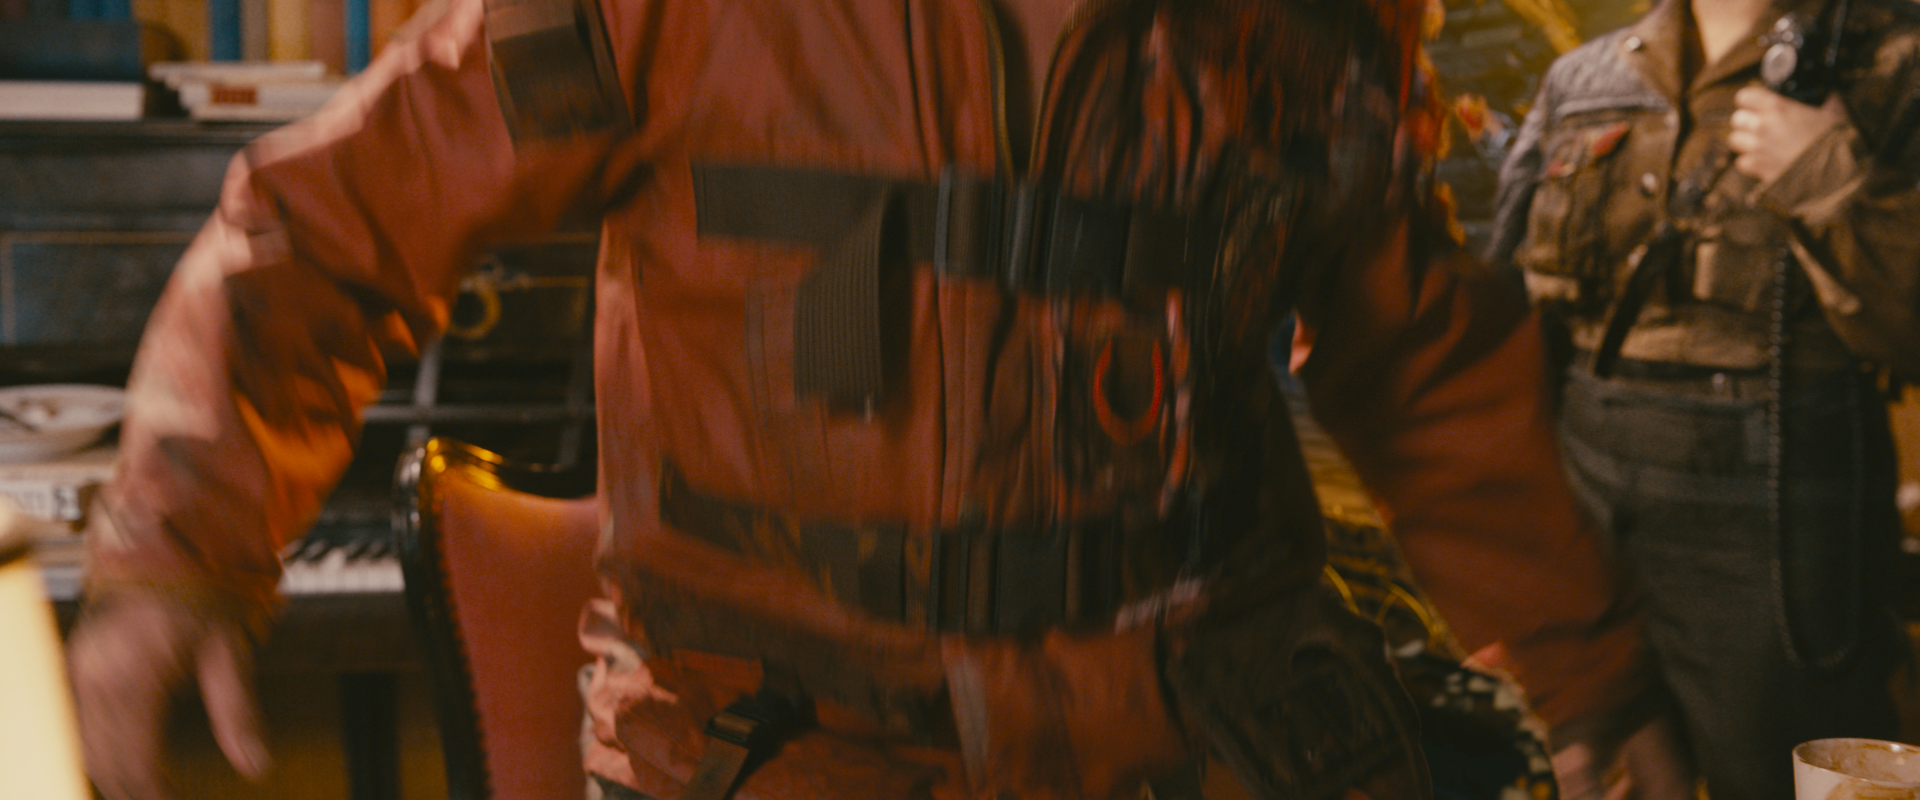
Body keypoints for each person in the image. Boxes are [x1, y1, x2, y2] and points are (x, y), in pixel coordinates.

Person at [61, 0, 1688, 798]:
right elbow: (327, 222)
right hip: (781, 755)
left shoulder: (1301, 22)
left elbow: (1423, 363)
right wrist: (173, 552)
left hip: (1185, 744)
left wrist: (1597, 688)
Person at [1488, 0, 1920, 797]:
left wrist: (1830, 175)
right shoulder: (1583, 81)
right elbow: (1510, 332)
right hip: (1588, 528)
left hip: (1784, 554)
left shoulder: (1893, 63)